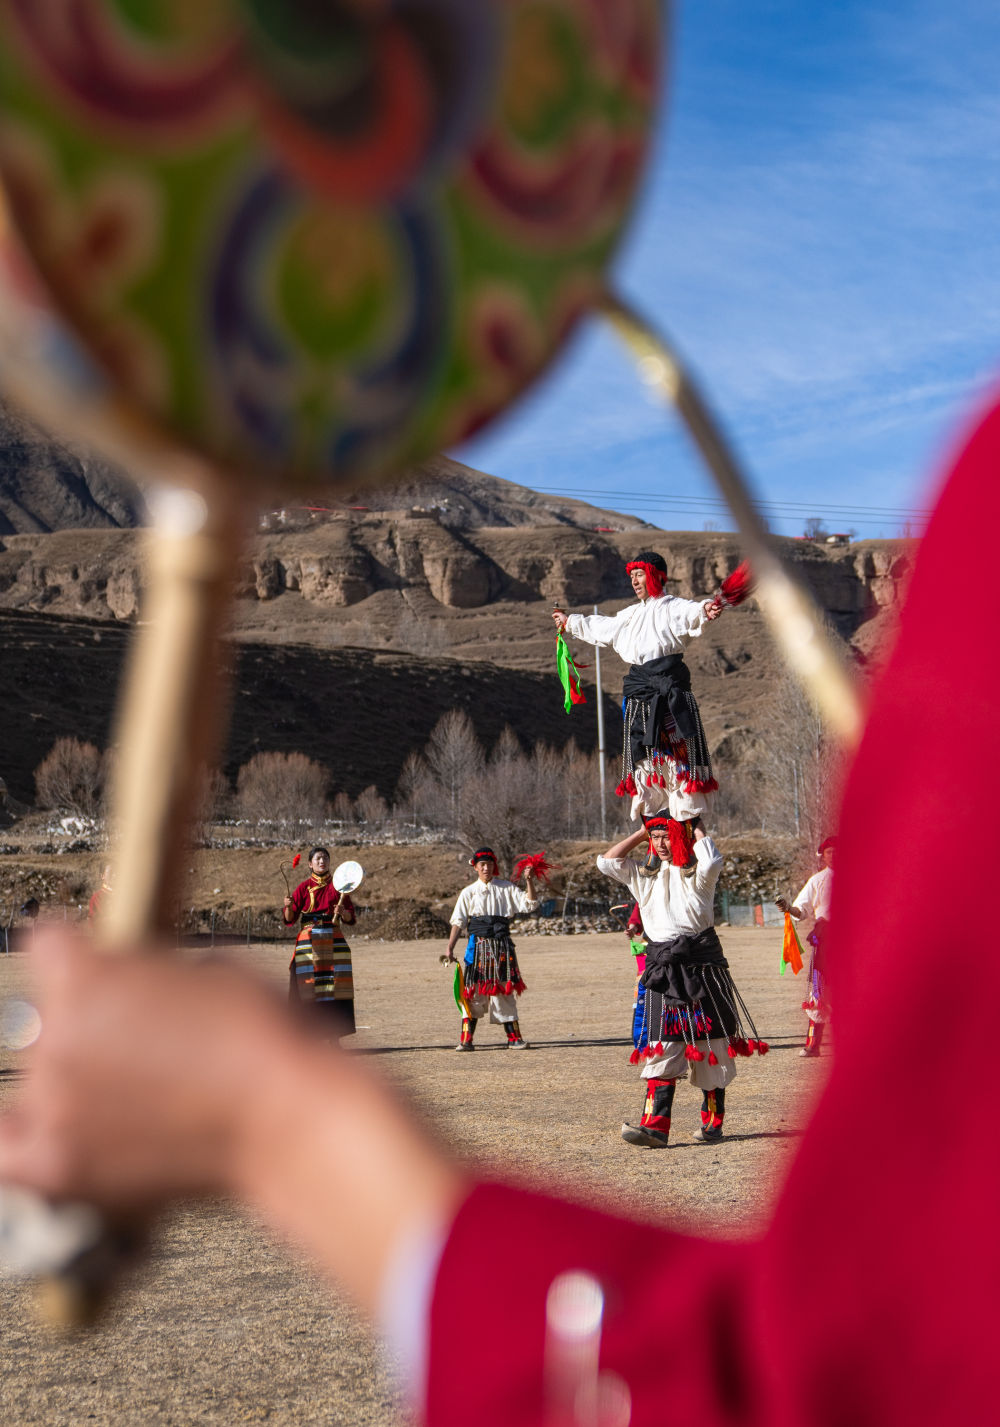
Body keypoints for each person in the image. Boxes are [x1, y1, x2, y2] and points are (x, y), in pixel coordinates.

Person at [3, 393, 1000, 1427]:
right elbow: (586, 634)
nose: (650, 581)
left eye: (655, 577)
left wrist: (276, 1119)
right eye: (648, 576)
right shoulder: (628, 630)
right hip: (587, 888)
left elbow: (817, 1371)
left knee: (687, 1030)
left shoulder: (685, 687)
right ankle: (647, 1103)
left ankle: (693, 1108)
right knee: (623, 1010)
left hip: (679, 901)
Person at [598, 815, 763, 1146]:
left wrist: (693, 824)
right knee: (663, 1047)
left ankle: (713, 1124)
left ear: (682, 838)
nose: (660, 843)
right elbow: (607, 862)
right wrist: (642, 832)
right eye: (654, 837)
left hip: (702, 970)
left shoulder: (700, 877)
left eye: (666, 835)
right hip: (664, 974)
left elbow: (713, 858)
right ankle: (655, 1128)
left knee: (711, 1047)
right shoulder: (642, 878)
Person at [552, 551, 725, 823]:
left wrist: (705, 609)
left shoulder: (672, 606)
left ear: (656, 576)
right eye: (631, 576)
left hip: (669, 697)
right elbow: (602, 626)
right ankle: (656, 835)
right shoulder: (630, 615)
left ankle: (688, 834)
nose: (634, 581)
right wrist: (570, 622)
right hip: (638, 697)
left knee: (678, 765)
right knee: (645, 766)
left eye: (639, 575)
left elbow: (692, 611)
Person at [445, 848, 539, 1050]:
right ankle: (466, 1039)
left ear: (494, 866)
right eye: (482, 865)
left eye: (489, 864)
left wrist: (529, 881)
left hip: (502, 947)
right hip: (478, 947)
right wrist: (449, 948)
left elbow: (529, 904)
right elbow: (458, 922)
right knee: (473, 992)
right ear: (476, 868)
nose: (486, 868)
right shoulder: (468, 892)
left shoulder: (507, 888)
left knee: (504, 990)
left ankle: (514, 1038)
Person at [282, 846, 356, 1038]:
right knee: (307, 988)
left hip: (334, 941)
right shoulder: (303, 887)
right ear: (310, 864)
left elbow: (349, 918)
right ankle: (307, 1037)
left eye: (325, 858)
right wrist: (288, 906)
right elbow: (290, 918)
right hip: (309, 942)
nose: (322, 862)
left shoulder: (340, 887)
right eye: (318, 859)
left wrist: (343, 913)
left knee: (335, 989)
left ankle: (334, 1037)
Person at [776, 836, 834, 1056]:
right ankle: (813, 1044)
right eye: (829, 852)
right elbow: (802, 909)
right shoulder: (817, 880)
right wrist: (789, 908)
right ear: (823, 856)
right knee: (820, 991)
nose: (834, 856)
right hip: (826, 940)